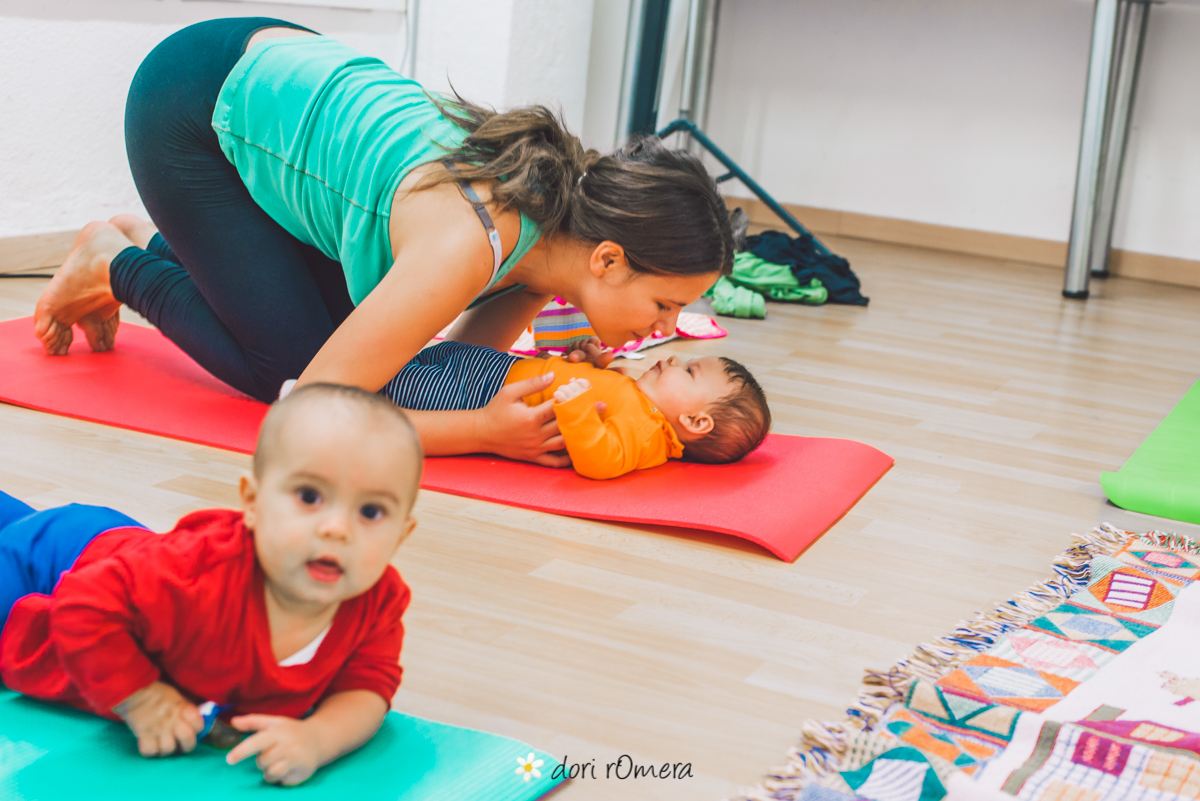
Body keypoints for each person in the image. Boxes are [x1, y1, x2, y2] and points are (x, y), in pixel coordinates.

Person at [32, 17, 735, 470]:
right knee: (289, 365)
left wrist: (553, 387)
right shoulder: (469, 241)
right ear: (608, 259)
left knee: (349, 346)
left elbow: (454, 370)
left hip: (280, 74)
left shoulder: (557, 237)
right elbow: (306, 414)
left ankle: (148, 243)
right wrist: (486, 433)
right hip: (190, 105)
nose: (669, 329)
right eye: (667, 302)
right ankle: (115, 261)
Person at [0, 384, 421, 786]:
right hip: (60, 559)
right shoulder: (198, 576)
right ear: (252, 504)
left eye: (371, 511)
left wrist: (318, 739)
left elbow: (368, 687)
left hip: (127, 555)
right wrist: (143, 699)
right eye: (309, 497)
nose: (337, 529)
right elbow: (83, 605)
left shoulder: (377, 602)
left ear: (402, 534)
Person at [378, 340, 772, 479]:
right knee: (403, 355)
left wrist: (576, 407)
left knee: (386, 382)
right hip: (494, 368)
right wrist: (587, 364)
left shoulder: (647, 436)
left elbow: (601, 458)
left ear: (695, 421)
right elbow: (604, 392)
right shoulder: (640, 400)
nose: (670, 360)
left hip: (477, 395)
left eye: (688, 371)